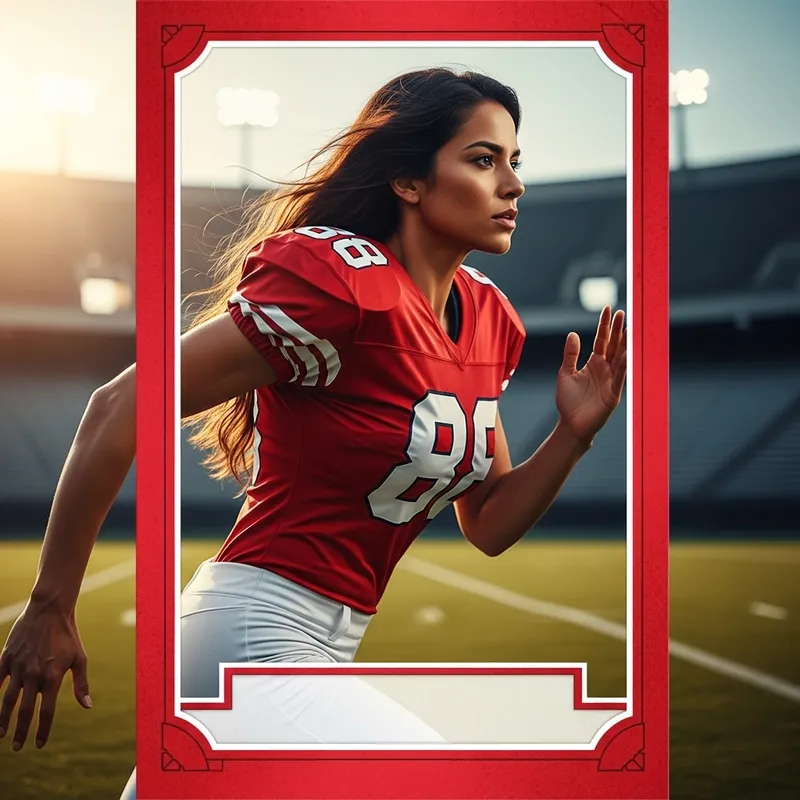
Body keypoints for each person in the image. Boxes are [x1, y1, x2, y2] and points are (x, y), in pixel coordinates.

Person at [0, 67, 626, 795]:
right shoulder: (340, 279)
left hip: (329, 650)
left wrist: (573, 435)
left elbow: (486, 521)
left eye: (515, 163)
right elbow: (117, 406)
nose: (512, 184)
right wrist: (50, 604)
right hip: (251, 635)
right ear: (409, 180)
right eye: (483, 160)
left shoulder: (493, 321)